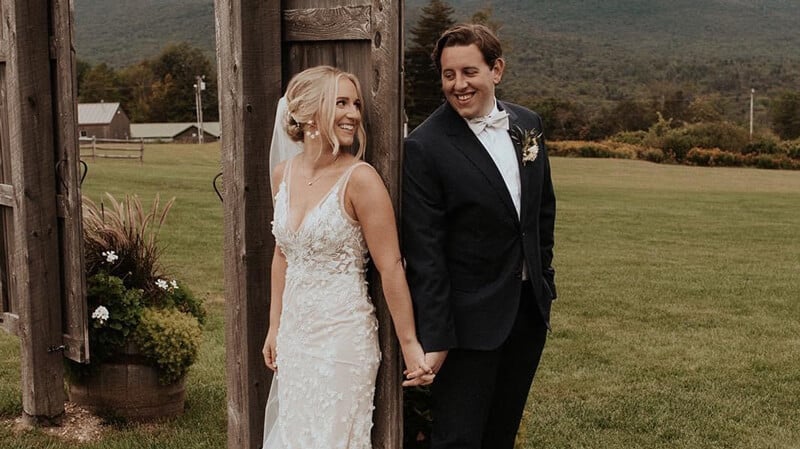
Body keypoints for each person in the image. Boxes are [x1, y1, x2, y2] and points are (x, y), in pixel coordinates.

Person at [261, 65, 434, 448]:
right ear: (307, 113)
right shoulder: (282, 174)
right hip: (296, 335)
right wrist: (275, 325)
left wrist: (410, 345)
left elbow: (390, 267)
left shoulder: (361, 179)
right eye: (341, 102)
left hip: (343, 338)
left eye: (355, 104)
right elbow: (282, 254)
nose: (353, 114)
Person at [402, 24, 557, 449]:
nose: (458, 84)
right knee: (458, 438)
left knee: (501, 433)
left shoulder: (527, 124)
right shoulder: (424, 147)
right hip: (468, 324)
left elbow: (542, 212)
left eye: (469, 72)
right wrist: (437, 337)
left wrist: (545, 280)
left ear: (497, 70)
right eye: (448, 75)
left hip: (528, 313)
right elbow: (426, 253)